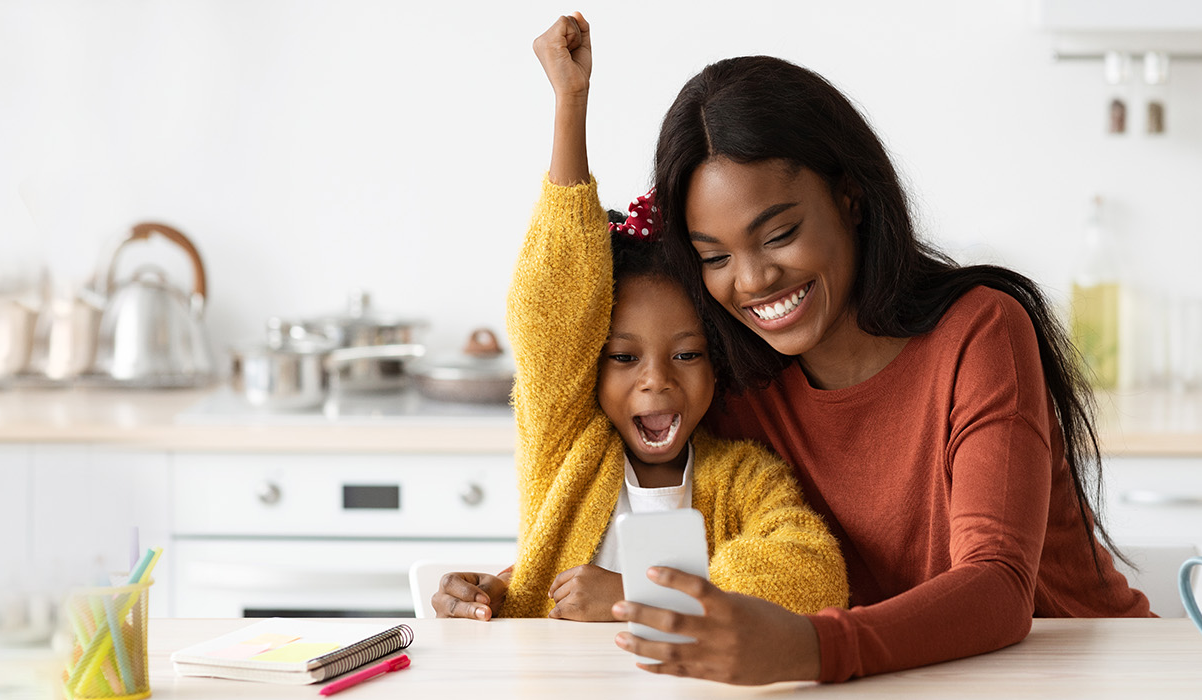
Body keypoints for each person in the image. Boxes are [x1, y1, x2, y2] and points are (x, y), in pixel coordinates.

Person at [601, 53, 1154, 684]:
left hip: (1085, 672)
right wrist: (517, 583)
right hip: (902, 681)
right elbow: (612, 485)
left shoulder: (980, 333)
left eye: (779, 234)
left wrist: (810, 647)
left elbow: (998, 587)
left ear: (850, 198)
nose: (752, 280)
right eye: (715, 256)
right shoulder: (732, 380)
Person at [429, 13, 847, 624]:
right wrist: (571, 103)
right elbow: (554, 309)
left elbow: (813, 574)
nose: (656, 381)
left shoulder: (742, 479)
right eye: (624, 357)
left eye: (687, 354)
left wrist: (637, 597)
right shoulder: (567, 449)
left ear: (719, 360)